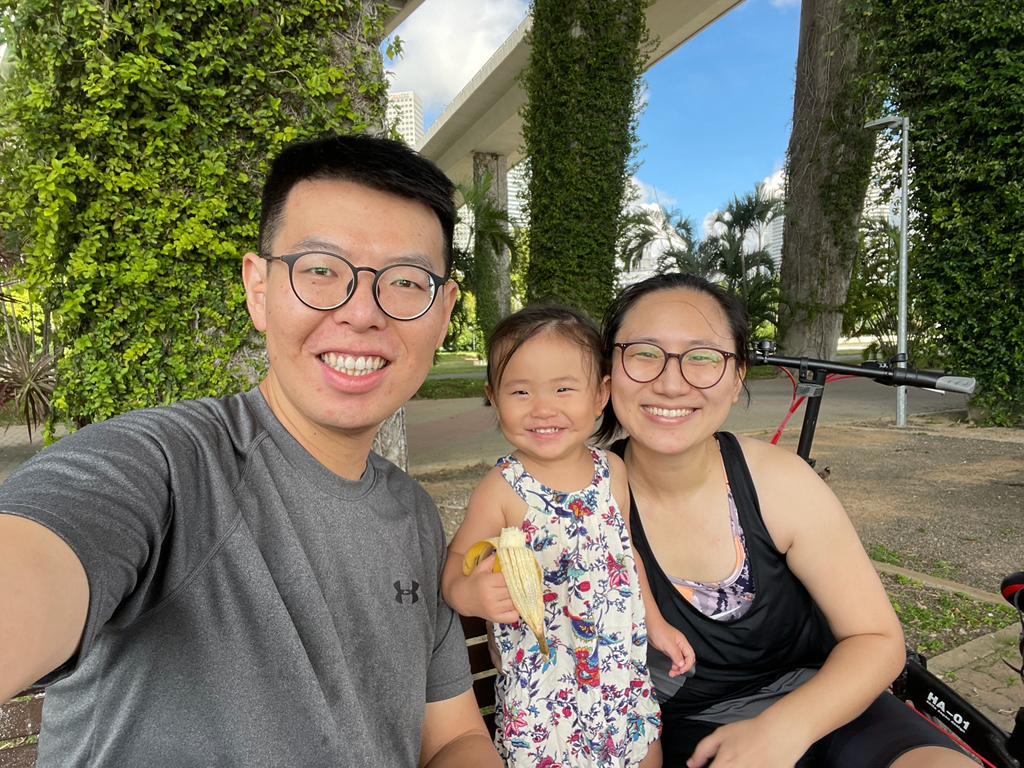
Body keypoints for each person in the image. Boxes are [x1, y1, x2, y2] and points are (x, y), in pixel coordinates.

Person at [0, 134, 501, 767]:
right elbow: (37, 558)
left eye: (405, 282)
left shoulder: (415, 518)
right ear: (259, 289)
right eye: (322, 270)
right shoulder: (167, 467)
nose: (364, 313)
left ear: (445, 309)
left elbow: (454, 738)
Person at [596, 272, 975, 768]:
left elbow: (877, 640)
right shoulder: (582, 503)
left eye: (704, 357)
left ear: (736, 379)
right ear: (609, 371)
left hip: (831, 706)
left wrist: (784, 728)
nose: (671, 382)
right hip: (695, 734)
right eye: (644, 352)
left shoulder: (780, 482)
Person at [443, 305, 694, 767]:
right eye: (520, 391)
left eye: (563, 388)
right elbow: (458, 560)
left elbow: (626, 555)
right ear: (493, 398)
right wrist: (472, 593)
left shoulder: (613, 472)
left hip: (621, 669)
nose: (543, 408)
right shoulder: (502, 489)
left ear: (601, 395)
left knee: (644, 753)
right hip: (544, 687)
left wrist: (656, 625)